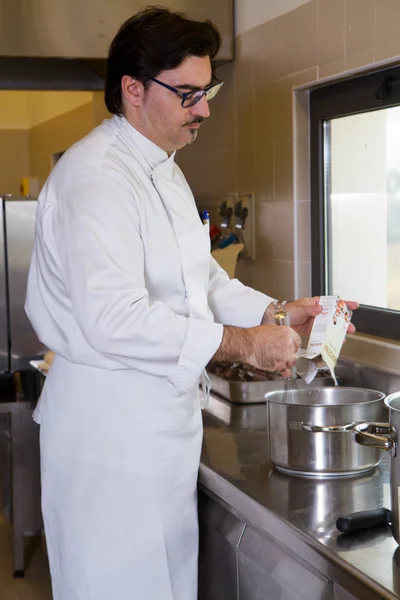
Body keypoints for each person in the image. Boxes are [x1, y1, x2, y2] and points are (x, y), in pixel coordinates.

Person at [25, 6, 358, 600]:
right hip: (108, 439)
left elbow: (201, 281)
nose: (203, 109)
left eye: (207, 91)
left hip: (160, 433)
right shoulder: (96, 178)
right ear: (132, 89)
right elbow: (113, 318)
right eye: (187, 94)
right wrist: (245, 344)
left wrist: (277, 314)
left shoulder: (165, 172)